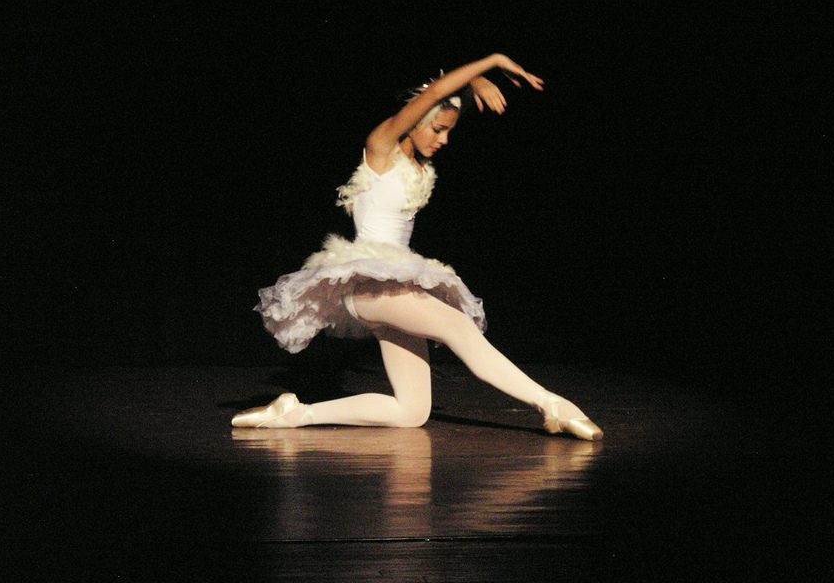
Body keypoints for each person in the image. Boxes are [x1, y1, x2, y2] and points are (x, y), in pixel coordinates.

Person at [232, 54, 602, 440]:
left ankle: (292, 414)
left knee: (411, 411)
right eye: (438, 129)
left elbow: (443, 96)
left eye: (449, 132)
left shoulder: (417, 166)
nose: (443, 139)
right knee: (459, 328)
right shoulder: (381, 149)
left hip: (395, 289)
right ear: (415, 120)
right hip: (373, 284)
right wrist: (490, 64)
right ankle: (553, 406)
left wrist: (470, 87)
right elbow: (437, 92)